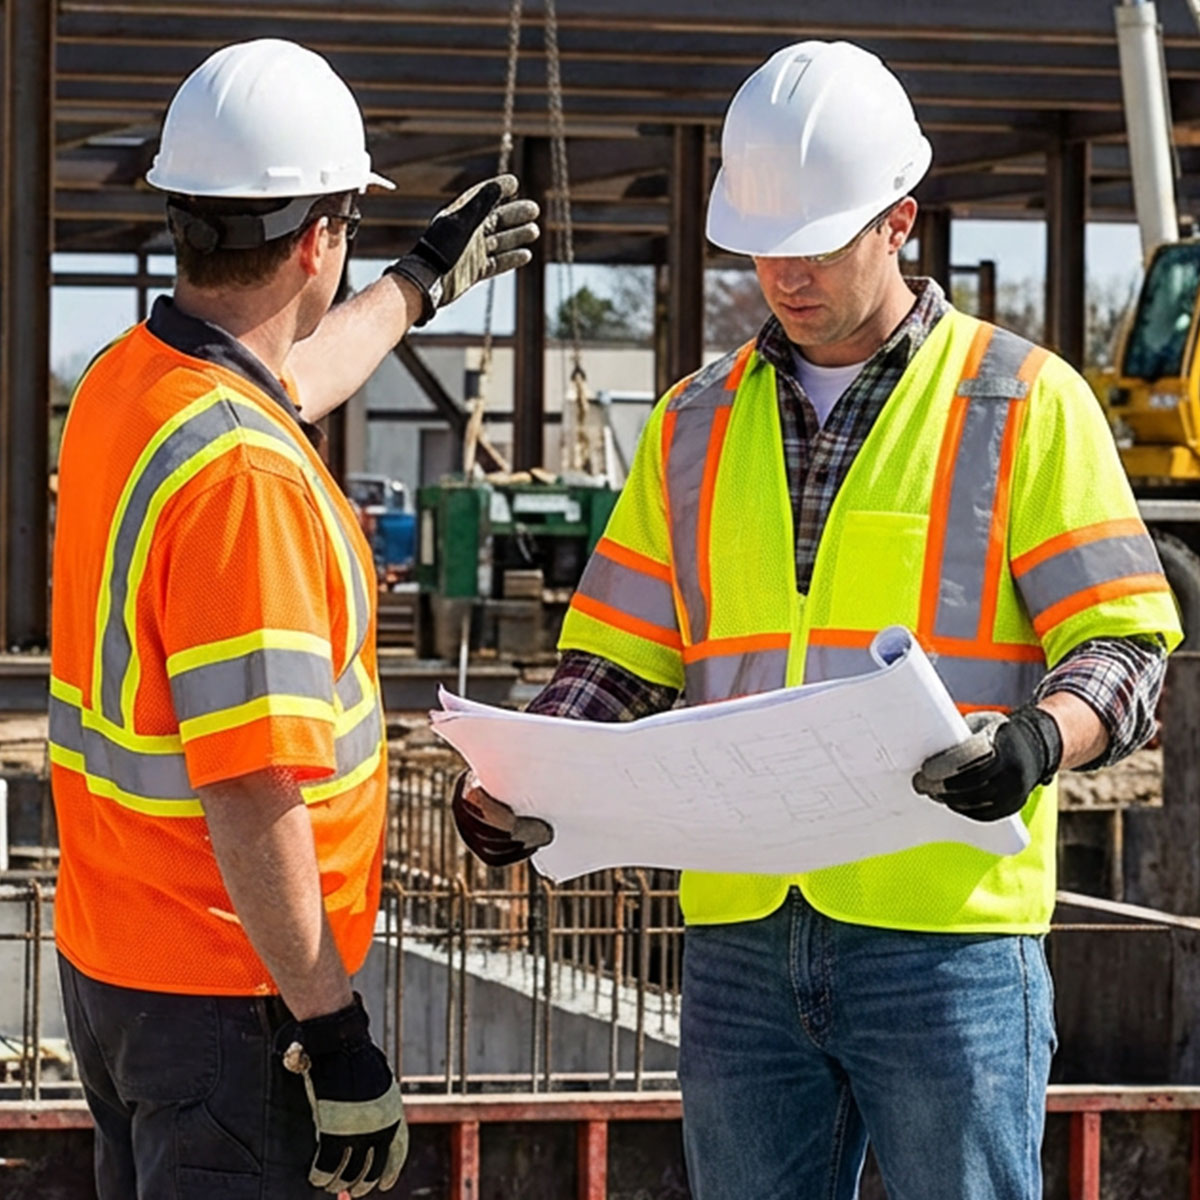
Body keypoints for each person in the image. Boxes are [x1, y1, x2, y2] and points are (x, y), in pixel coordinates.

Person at [450, 39, 1183, 1200]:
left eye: (819, 243)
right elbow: (616, 662)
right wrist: (528, 775)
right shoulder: (692, 421)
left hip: (943, 934)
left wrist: (1037, 743)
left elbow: (1124, 648)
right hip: (742, 932)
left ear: (900, 220)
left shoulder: (1024, 400)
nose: (785, 275)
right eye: (764, 247)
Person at [48, 38, 538, 1199]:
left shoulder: (133, 384)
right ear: (321, 238)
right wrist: (334, 1028)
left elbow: (288, 378)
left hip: (117, 957)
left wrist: (416, 281)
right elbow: (253, 786)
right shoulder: (246, 478)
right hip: (231, 990)